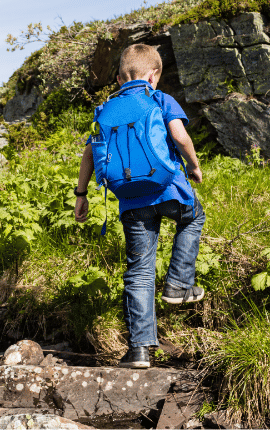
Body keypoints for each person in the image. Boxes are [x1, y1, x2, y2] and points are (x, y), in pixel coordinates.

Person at [73, 44, 206, 369]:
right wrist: (194, 165)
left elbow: (90, 154)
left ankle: (140, 351)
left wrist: (81, 194)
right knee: (194, 216)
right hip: (169, 190)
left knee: (139, 271)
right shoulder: (159, 98)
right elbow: (179, 134)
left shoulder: (105, 109)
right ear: (153, 75)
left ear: (119, 78)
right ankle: (178, 283)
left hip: (130, 201)